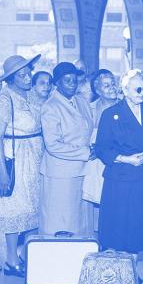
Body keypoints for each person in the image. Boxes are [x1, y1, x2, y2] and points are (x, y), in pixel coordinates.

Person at [95, 69, 143, 284]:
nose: (142, 93)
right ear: (124, 90)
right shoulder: (110, 114)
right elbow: (102, 149)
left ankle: (131, 272)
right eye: (138, 89)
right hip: (120, 180)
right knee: (117, 226)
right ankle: (114, 273)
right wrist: (124, 158)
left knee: (137, 226)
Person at [0, 55, 44, 277]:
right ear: (10, 79)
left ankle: (25, 256)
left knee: (32, 209)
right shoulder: (3, 99)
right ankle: (11, 260)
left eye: (29, 72)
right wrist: (3, 173)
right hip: (15, 159)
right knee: (14, 209)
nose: (28, 77)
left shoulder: (31, 96)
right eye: (22, 75)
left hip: (34, 159)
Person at [40, 62, 94, 236]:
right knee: (61, 221)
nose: (72, 83)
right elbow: (53, 145)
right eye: (66, 80)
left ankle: (78, 257)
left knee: (80, 220)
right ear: (57, 83)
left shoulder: (82, 101)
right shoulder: (51, 106)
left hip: (83, 170)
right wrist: (85, 152)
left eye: (74, 80)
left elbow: (89, 130)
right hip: (61, 174)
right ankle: (56, 257)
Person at [81, 69, 119, 236]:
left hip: (115, 161)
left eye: (113, 84)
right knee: (93, 200)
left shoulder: (125, 107)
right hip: (93, 163)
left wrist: (103, 150)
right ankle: (95, 239)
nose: (112, 88)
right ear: (97, 90)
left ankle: (113, 239)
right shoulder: (89, 109)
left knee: (113, 201)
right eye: (106, 85)